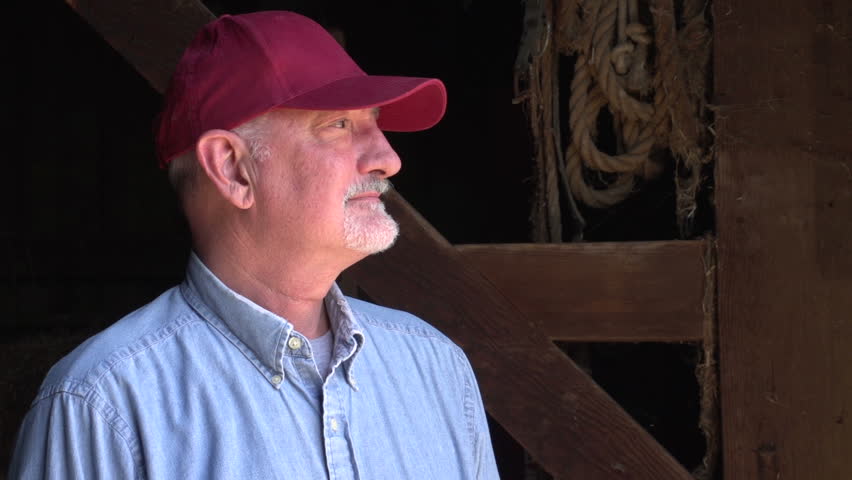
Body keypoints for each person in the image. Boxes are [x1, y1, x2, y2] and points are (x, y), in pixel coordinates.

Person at [9, 11, 499, 479]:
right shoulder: (101, 403)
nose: (388, 158)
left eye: (375, 123)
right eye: (339, 125)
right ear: (232, 168)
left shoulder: (437, 368)